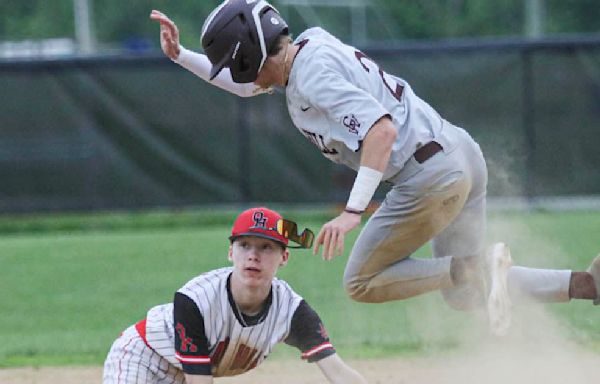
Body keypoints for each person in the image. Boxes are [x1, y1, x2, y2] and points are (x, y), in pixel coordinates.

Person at [149, 2, 600, 336]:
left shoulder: (311, 77)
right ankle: (586, 284)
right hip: (458, 154)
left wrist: (352, 211)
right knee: (463, 288)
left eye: (235, 62)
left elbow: (380, 132)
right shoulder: (310, 48)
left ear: (250, 55)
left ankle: (477, 266)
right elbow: (249, 89)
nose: (238, 74)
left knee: (361, 281)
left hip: (428, 176)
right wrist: (182, 56)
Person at [103, 207, 367, 384]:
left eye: (266, 247)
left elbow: (337, 371)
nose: (253, 255)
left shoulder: (292, 312)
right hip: (143, 357)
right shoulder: (195, 300)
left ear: (284, 257)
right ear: (231, 252)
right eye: (244, 245)